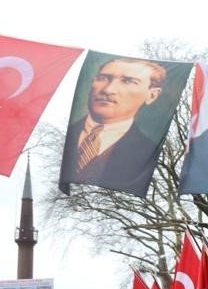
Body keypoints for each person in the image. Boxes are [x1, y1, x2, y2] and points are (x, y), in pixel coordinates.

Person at [60, 57, 167, 195]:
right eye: (103, 78)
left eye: (128, 81)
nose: (108, 90)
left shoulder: (147, 150)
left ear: (152, 95)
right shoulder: (61, 136)